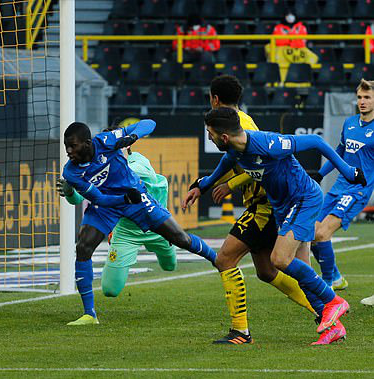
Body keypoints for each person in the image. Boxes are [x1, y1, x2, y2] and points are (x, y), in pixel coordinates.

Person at [183, 107, 366, 344]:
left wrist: (349, 172)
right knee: (300, 273)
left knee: (279, 260)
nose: (209, 137)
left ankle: (334, 301)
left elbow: (315, 141)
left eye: (210, 133)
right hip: (283, 207)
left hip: (304, 200)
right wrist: (201, 186)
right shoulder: (234, 152)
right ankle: (334, 328)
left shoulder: (268, 143)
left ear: (224, 137)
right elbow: (221, 168)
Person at [61, 119, 217, 325]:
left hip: (137, 198)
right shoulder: (70, 172)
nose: (69, 151)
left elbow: (149, 123)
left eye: (72, 146)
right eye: (67, 147)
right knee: (83, 247)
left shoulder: (107, 141)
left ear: (88, 143)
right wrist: (121, 199)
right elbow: (97, 199)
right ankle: (89, 314)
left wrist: (131, 137)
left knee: (181, 238)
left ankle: (218, 260)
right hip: (109, 204)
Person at [201, 75, 318, 345]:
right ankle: (323, 310)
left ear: (215, 99)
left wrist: (231, 183)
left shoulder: (237, 125)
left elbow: (256, 163)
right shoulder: (239, 121)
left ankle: (240, 332)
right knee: (266, 271)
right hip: (264, 203)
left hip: (262, 205)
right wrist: (207, 184)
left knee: (225, 259)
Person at [57, 120, 176, 299]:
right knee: (110, 290)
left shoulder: (140, 162)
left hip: (155, 228)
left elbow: (133, 175)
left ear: (126, 148)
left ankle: (167, 246)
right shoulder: (96, 172)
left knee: (170, 266)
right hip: (125, 234)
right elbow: (79, 199)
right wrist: (70, 191)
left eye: (116, 149)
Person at [310, 79, 374, 293]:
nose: (362, 102)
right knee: (310, 233)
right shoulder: (350, 123)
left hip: (358, 190)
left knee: (322, 234)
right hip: (338, 186)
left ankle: (327, 285)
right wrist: (319, 175)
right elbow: (338, 154)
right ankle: (335, 277)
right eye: (360, 97)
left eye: (367, 97)